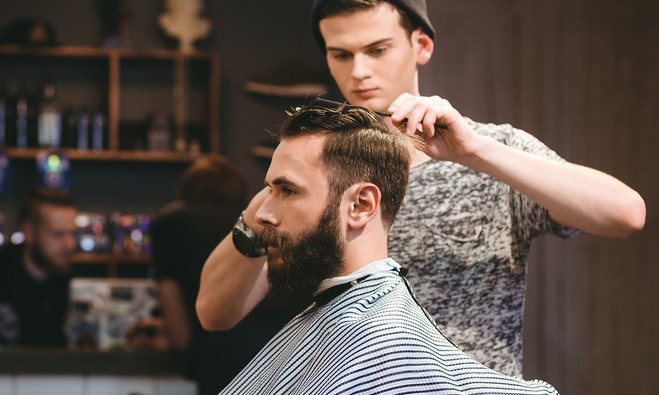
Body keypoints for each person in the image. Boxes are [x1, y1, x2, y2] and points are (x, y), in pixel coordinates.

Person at [197, 0, 646, 376]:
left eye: (377, 49)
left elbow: (625, 214)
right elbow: (214, 313)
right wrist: (282, 193)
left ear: (421, 45)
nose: (358, 72)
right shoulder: (314, 170)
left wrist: (476, 153)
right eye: (341, 54)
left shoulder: (492, 152)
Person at [221, 104, 558, 394]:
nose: (262, 215)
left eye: (288, 191)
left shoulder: (385, 347)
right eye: (270, 190)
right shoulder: (337, 314)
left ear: (361, 205)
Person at [150, 154, 303, 395]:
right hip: (283, 354)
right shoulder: (263, 220)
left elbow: (173, 306)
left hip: (218, 354)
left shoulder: (171, 225)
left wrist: (182, 351)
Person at [0, 188, 78, 347]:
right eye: (58, 234)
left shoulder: (76, 285)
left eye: (72, 234)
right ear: (30, 232)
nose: (70, 244)